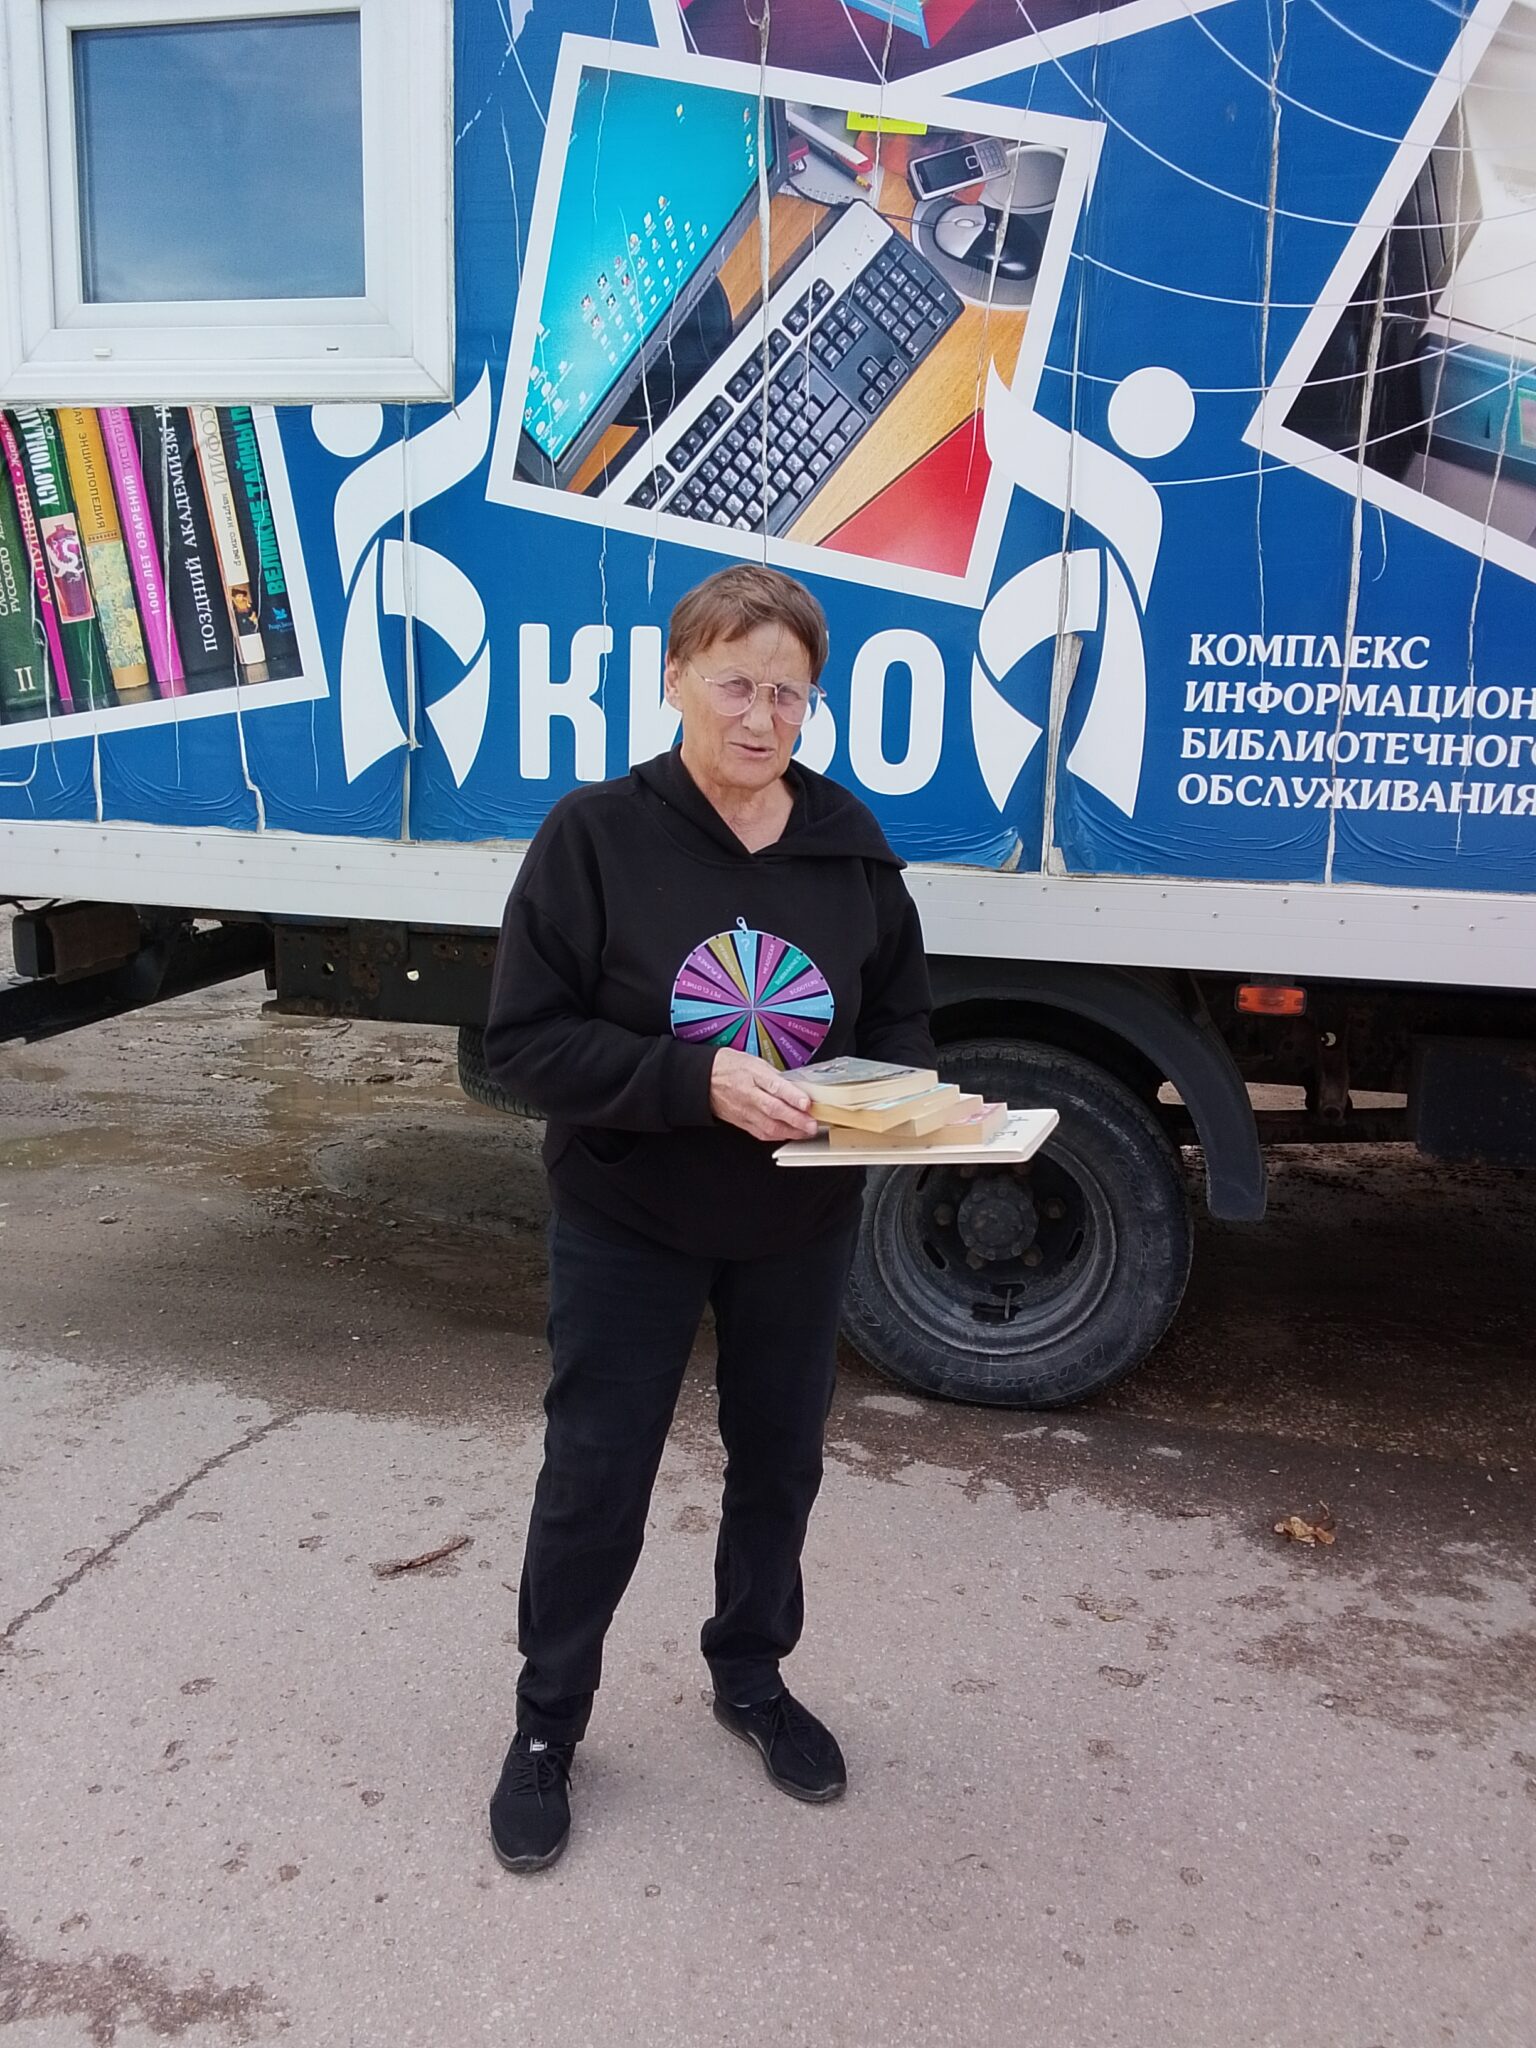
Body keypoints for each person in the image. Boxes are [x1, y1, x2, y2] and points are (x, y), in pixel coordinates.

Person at [482, 563, 936, 1871]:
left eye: (789, 694)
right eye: (737, 685)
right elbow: (525, 1043)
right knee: (597, 1473)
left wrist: (885, 1108)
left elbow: (900, 1024)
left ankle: (750, 1674)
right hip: (630, 1212)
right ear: (677, 677)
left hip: (797, 1220)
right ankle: (547, 1722)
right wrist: (697, 1081)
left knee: (780, 1461)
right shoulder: (596, 838)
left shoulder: (850, 847)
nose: (761, 717)